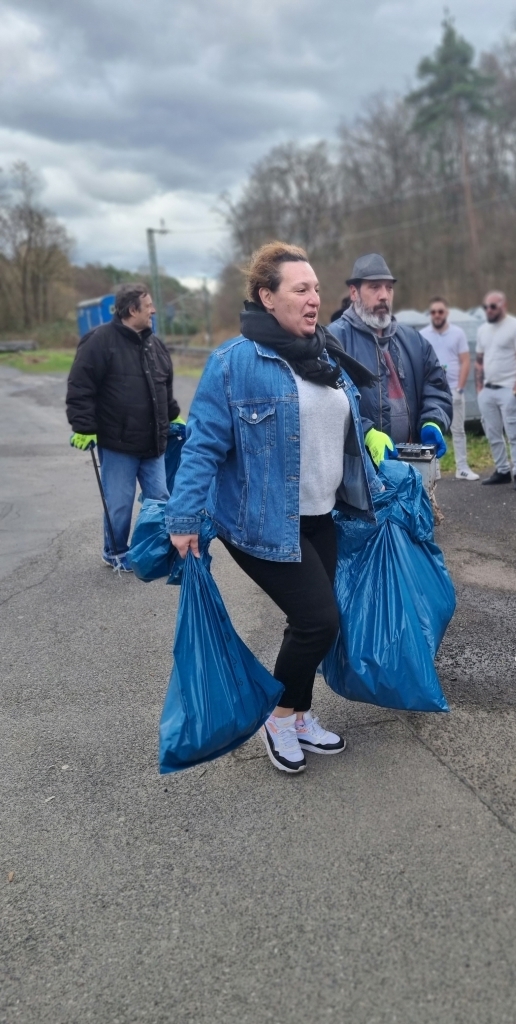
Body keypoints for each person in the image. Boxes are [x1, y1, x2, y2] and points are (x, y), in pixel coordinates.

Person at [164, 242, 381, 776]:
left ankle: (299, 714)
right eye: (300, 289)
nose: (314, 299)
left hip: (320, 514)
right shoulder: (234, 363)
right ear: (267, 296)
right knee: (319, 621)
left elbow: (342, 424)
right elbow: (203, 446)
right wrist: (184, 518)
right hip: (259, 522)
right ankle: (279, 718)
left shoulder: (324, 355)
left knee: (308, 622)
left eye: (316, 289)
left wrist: (376, 444)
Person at [66, 283, 184, 571]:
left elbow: (164, 387)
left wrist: (173, 416)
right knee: (119, 504)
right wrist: (83, 427)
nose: (154, 311)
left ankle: (154, 551)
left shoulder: (155, 346)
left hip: (154, 443)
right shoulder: (99, 342)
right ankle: (116, 552)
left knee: (160, 500)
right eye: (149, 306)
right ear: (132, 310)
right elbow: (81, 387)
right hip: (118, 443)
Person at [326, 253, 452, 467]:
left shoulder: (413, 340)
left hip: (412, 465)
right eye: (375, 287)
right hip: (361, 471)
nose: (384, 296)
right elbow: (328, 402)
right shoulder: (335, 340)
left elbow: (436, 385)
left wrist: (433, 420)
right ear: (354, 292)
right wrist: (365, 433)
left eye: (389, 288)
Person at [475, 291, 516, 489]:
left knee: (514, 434)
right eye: (486, 307)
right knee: (492, 434)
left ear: (503, 306)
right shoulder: (483, 330)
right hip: (488, 390)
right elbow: (479, 361)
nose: (489, 310)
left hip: (509, 390)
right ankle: (502, 471)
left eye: (493, 306)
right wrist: (479, 389)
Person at [420, 297, 479, 481]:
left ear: (447, 313)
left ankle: (462, 468)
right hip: (432, 394)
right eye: (433, 312)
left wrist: (460, 388)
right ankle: (432, 471)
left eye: (440, 311)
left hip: (454, 390)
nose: (437, 315)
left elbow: (465, 361)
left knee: (458, 430)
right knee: (432, 431)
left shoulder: (458, 333)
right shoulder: (423, 335)